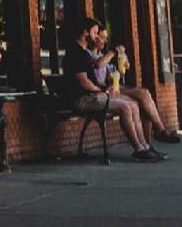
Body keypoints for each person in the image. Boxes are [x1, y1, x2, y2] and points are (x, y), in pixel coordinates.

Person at [63, 18, 168, 160]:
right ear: (85, 32)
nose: (96, 36)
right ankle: (138, 148)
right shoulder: (75, 52)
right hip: (83, 99)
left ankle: (145, 147)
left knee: (133, 104)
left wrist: (108, 88)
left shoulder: (82, 53)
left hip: (92, 96)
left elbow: (94, 80)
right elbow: (84, 83)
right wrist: (105, 91)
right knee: (125, 107)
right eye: (94, 32)